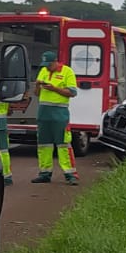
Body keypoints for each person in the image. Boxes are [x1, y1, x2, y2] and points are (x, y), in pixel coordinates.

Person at [33, 50, 79, 185]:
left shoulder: (67, 71)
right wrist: (37, 85)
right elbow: (37, 94)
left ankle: (70, 175)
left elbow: (72, 93)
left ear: (55, 61)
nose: (47, 67)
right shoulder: (43, 71)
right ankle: (44, 173)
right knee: (43, 145)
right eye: (45, 64)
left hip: (60, 113)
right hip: (43, 113)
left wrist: (54, 89)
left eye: (49, 64)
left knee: (63, 144)